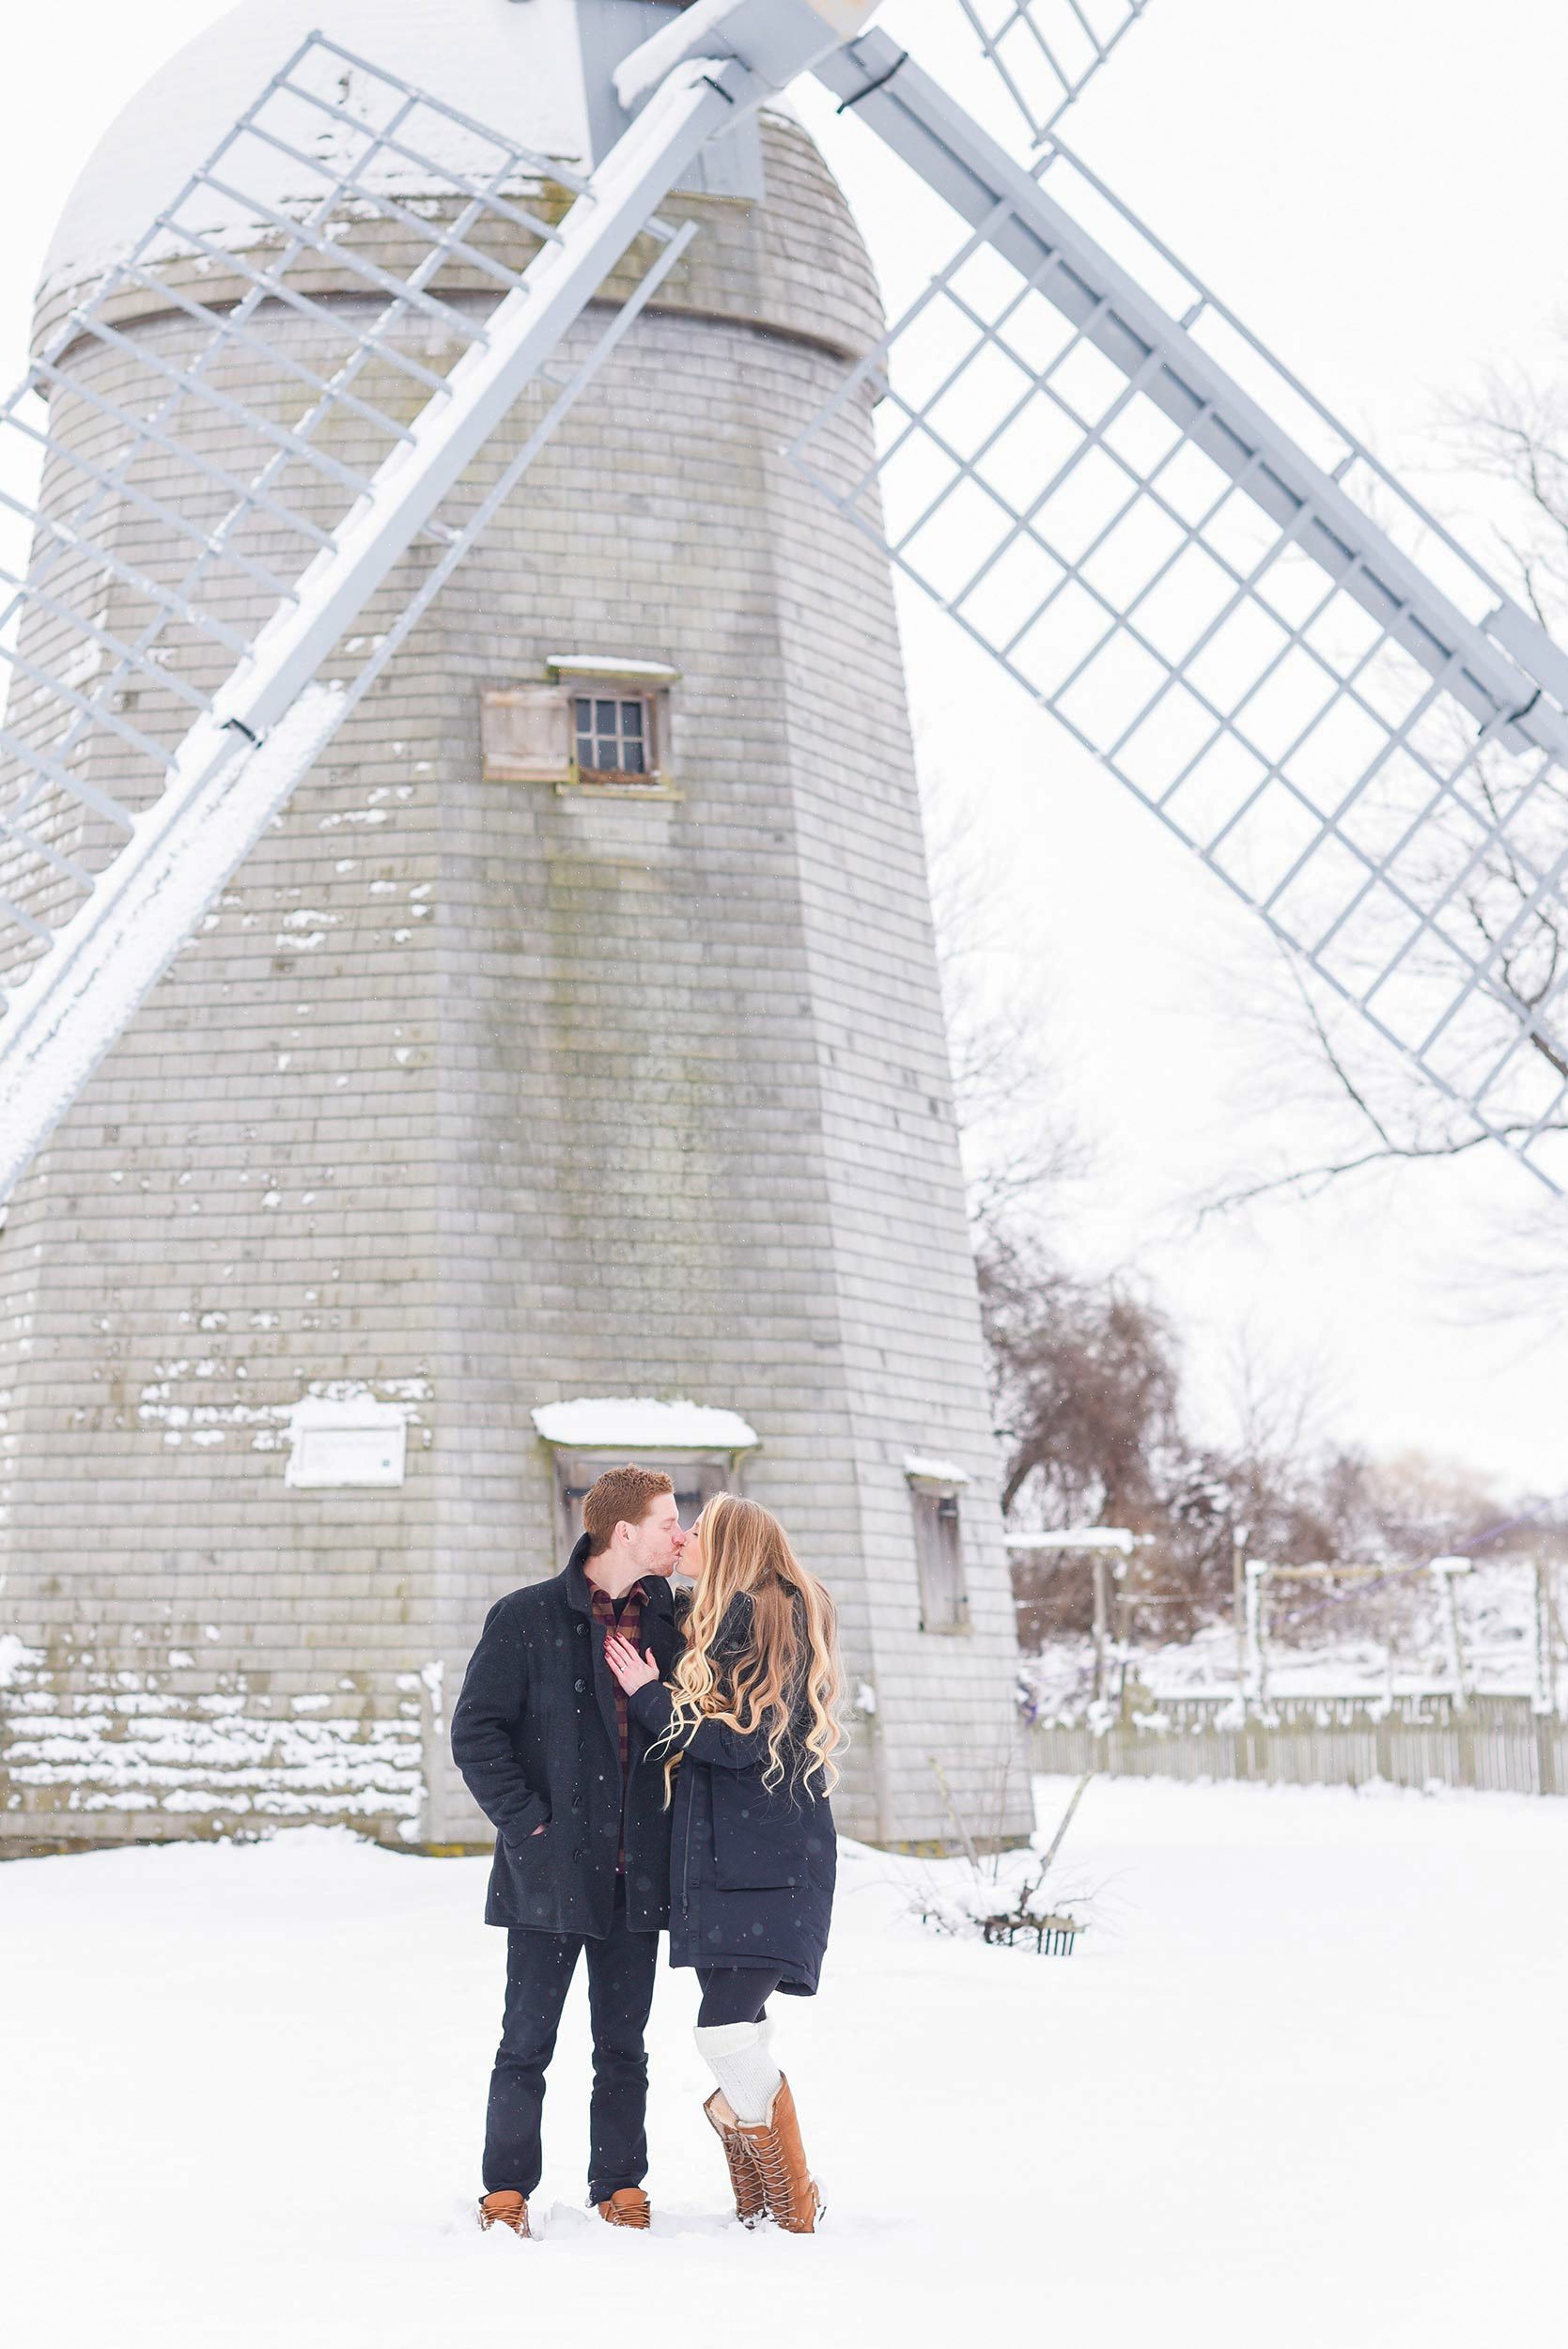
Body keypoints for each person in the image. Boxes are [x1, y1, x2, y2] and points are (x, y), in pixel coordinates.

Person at [450, 1463, 688, 2239]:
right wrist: (530, 1826)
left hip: (637, 1873)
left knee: (624, 2047)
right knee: (526, 2042)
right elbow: (476, 1733)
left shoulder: (673, 1622)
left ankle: (619, 2184)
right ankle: (505, 2190)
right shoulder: (524, 1617)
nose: (678, 1534)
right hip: (550, 1874)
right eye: (666, 1522)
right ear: (623, 1532)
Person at [604, 1493, 844, 2234]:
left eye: (696, 1532)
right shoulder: (734, 1614)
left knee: (724, 2030)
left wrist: (648, 1698)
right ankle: (760, 2196)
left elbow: (741, 1742)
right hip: (728, 1859)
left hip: (769, 1861)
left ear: (731, 1543)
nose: (682, 1538)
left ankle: (793, 2191)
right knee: (737, 2026)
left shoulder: (775, 1613)